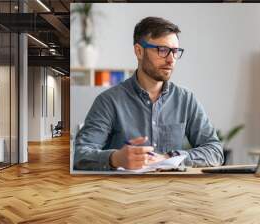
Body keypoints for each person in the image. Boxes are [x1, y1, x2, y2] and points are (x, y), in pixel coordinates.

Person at [74, 16, 223, 171]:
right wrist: (116, 159)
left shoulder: (186, 100)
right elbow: (79, 154)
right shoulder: (108, 101)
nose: (171, 59)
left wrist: (170, 157)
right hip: (123, 193)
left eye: (175, 51)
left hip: (173, 192)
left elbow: (215, 151)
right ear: (139, 51)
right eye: (163, 50)